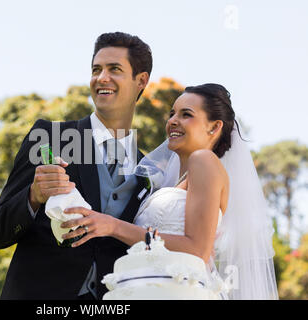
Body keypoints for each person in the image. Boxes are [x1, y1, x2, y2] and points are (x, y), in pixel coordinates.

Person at [62, 83, 279, 299]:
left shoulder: (203, 160)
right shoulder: (171, 181)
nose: (173, 120)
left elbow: (197, 251)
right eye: (172, 113)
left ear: (214, 127)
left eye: (186, 114)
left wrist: (113, 226)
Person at [0, 32, 152, 299]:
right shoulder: (50, 138)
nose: (102, 78)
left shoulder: (148, 170)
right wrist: (34, 195)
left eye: (115, 69)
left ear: (141, 81)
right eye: (96, 69)